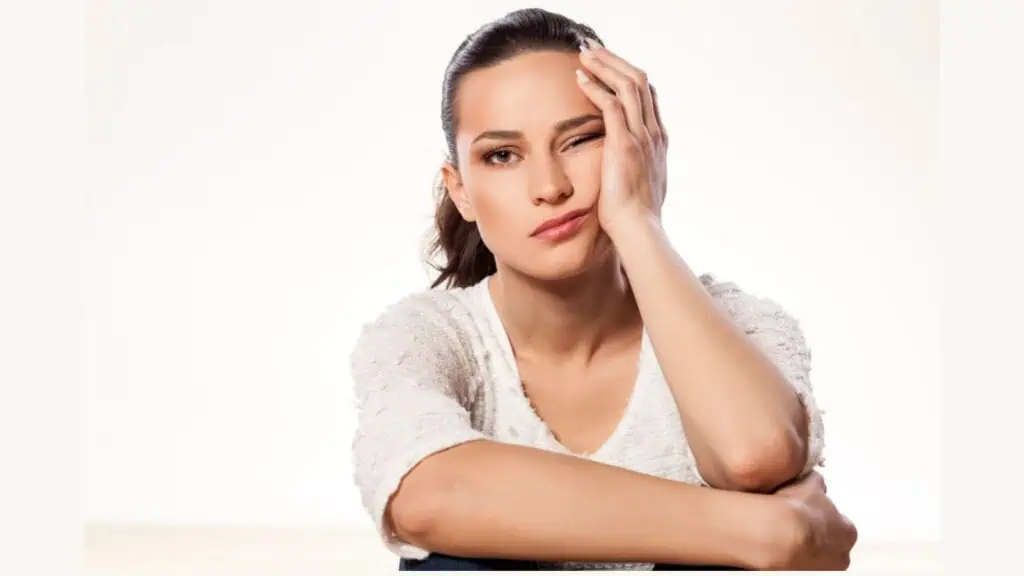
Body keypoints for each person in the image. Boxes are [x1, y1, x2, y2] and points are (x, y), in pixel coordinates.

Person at [349, 7, 857, 571]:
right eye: (502, 155)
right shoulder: (428, 337)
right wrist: (772, 534)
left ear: (635, 145)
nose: (550, 186)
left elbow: (754, 458)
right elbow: (429, 499)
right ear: (461, 191)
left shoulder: (742, 322)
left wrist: (640, 222)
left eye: (580, 140)